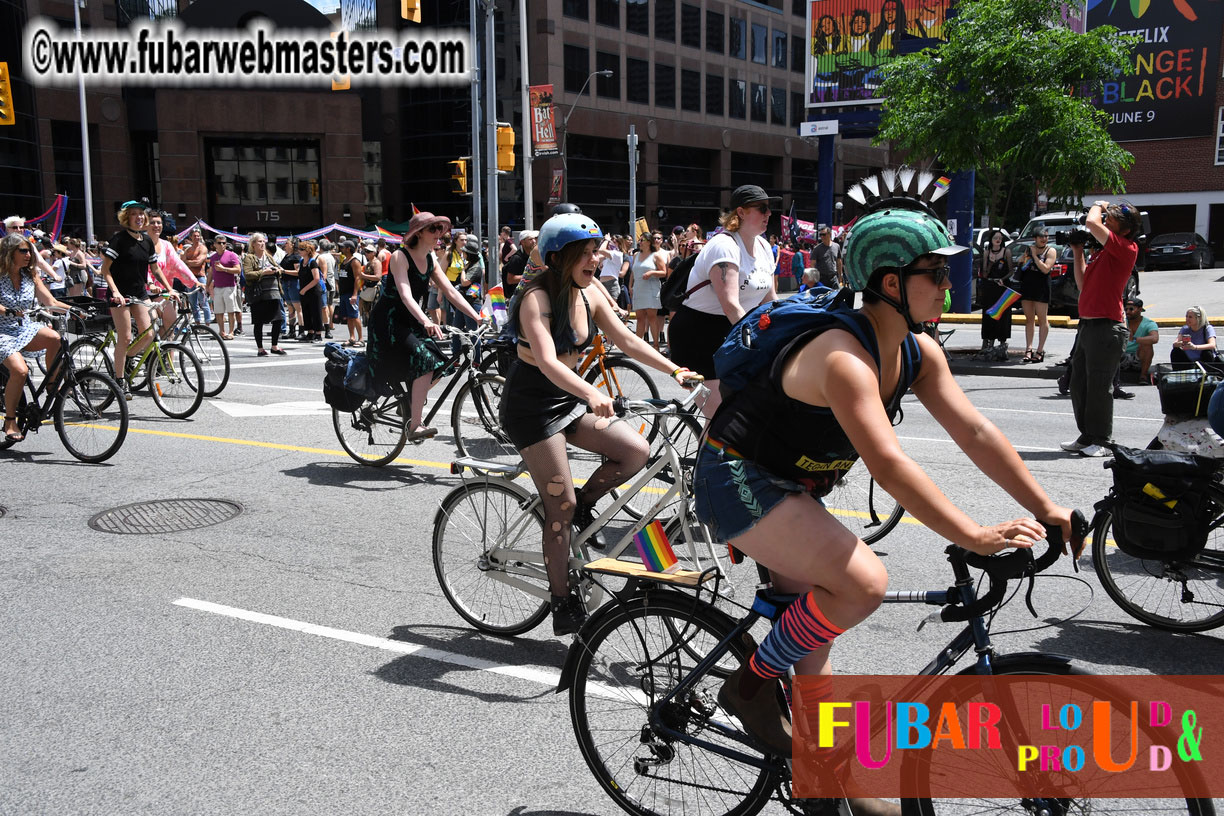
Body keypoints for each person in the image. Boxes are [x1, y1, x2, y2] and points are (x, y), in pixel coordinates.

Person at [693, 196, 1078, 802]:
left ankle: (820, 781)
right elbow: (890, 464)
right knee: (862, 584)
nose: (949, 285)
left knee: (815, 642)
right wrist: (972, 535)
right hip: (739, 479)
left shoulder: (917, 352)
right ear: (892, 283)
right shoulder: (842, 358)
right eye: (936, 273)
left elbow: (975, 430)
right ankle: (747, 685)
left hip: (797, 485)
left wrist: (1047, 506)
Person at [499, 212, 702, 635]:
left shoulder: (588, 291)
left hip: (567, 400)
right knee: (561, 506)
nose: (595, 260)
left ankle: (584, 503)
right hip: (532, 410)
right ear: (559, 257)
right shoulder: (535, 299)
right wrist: (591, 393)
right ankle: (562, 600)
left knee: (636, 451)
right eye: (585, 253)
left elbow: (626, 339)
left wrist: (675, 370)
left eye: (596, 251)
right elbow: (550, 362)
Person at [366, 212, 482, 440]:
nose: (439, 233)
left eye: (440, 229)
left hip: (411, 318)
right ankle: (414, 426)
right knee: (425, 361)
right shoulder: (401, 256)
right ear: (418, 233)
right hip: (389, 320)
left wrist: (476, 316)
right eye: (433, 229)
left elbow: (450, 291)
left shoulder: (430, 259)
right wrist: (427, 320)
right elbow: (405, 294)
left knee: (442, 364)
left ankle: (409, 401)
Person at [668, 184, 778, 418]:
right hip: (699, 335)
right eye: (762, 208)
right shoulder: (724, 246)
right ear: (741, 212)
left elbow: (771, 301)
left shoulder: (764, 246)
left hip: (732, 332)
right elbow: (730, 304)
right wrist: (758, 344)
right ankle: (708, 454)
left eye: (769, 209)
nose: (769, 213)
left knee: (755, 407)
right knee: (720, 417)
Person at [1061, 201, 1142, 457]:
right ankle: (1088, 436)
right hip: (1088, 325)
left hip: (1108, 327)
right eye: (1107, 215)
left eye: (1113, 218)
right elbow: (1083, 283)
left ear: (1126, 230)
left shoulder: (1126, 247)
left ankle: (1103, 441)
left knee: (1099, 386)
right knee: (1079, 384)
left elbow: (1091, 222)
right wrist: (1077, 251)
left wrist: (1098, 204)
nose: (1106, 219)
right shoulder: (1104, 253)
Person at [0, 233, 77, 442]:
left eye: (30, 251)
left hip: (23, 327)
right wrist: (6, 310)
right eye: (23, 251)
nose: (29, 255)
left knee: (55, 338)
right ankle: (10, 420)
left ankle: (52, 385)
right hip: (2, 331)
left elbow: (49, 300)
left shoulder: (30, 275)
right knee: (20, 371)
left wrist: (77, 310)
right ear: (9, 253)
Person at [100, 200, 180, 398]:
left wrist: (169, 289)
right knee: (125, 336)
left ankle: (127, 357)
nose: (139, 217)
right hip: (120, 295)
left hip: (139, 293)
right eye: (134, 214)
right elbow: (105, 269)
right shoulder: (118, 240)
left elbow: (155, 269)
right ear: (127, 218)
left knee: (150, 333)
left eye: (141, 214)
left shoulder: (146, 241)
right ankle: (120, 380)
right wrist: (115, 292)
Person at [242, 232, 287, 357]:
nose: (262, 244)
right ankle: (260, 349)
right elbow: (248, 274)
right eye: (259, 242)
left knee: (278, 319)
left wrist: (277, 271)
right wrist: (263, 272)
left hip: (273, 292)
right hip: (259, 293)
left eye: (263, 241)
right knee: (259, 322)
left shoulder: (268, 256)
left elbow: (279, 269)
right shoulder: (249, 258)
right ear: (253, 244)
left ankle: (274, 346)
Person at [975, 228, 1014, 361]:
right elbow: (985, 274)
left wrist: (1003, 279)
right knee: (989, 314)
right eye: (995, 238)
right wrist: (991, 262)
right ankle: (988, 342)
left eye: (1000, 238)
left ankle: (1002, 343)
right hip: (990, 287)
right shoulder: (987, 253)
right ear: (991, 241)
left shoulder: (1006, 252)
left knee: (1003, 314)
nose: (998, 240)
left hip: (1002, 287)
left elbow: (1011, 270)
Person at [1017, 229, 1054, 363]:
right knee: (1029, 319)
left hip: (1042, 287)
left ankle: (1040, 350)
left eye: (1045, 236)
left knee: (1042, 320)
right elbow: (1022, 266)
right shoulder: (1029, 250)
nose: (1043, 239)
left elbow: (1045, 269)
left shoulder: (1050, 251)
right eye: (1040, 236)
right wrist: (1023, 259)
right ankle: (1029, 349)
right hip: (1028, 286)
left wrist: (1035, 255)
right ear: (1035, 238)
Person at [629, 231, 666, 349]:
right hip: (639, 288)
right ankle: (638, 347)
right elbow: (633, 273)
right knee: (640, 318)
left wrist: (652, 272)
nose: (639, 242)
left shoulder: (655, 256)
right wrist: (631, 285)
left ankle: (655, 345)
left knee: (651, 317)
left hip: (651, 289)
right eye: (639, 240)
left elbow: (664, 272)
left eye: (642, 240)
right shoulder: (636, 255)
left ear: (649, 242)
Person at [207, 236, 242, 339]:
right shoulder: (213, 257)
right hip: (217, 287)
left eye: (223, 243)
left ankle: (231, 332)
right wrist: (207, 285)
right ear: (215, 244)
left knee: (231, 310)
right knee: (218, 311)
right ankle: (221, 332)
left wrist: (224, 269)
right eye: (219, 243)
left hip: (230, 286)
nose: (222, 245)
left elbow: (238, 270)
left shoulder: (232, 255)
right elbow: (211, 272)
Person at [1121, 297, 1159, 384]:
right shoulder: (1122, 322)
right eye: (1126, 309)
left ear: (1140, 309)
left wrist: (1134, 339)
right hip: (1121, 357)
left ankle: (1143, 376)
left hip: (1138, 358)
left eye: (1131, 309)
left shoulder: (1149, 323)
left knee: (1147, 345)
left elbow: (1154, 338)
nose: (1128, 312)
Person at [333, 241, 363, 347]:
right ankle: (352, 337)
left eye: (343, 247)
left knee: (354, 316)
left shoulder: (355, 262)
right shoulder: (344, 261)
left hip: (351, 293)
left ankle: (361, 339)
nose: (341, 249)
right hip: (344, 293)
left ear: (349, 248)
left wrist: (355, 294)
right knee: (348, 317)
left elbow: (358, 278)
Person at [181, 229, 213, 325]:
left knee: (203, 301)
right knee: (192, 302)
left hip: (200, 277)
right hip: (190, 278)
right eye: (194, 236)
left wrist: (187, 262)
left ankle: (207, 324)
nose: (197, 238)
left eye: (198, 236)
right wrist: (189, 262)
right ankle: (197, 323)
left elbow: (198, 262)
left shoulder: (202, 248)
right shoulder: (188, 249)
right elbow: (182, 262)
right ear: (191, 237)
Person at [297, 240, 325, 343]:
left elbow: (316, 278)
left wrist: (304, 289)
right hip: (304, 291)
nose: (299, 251)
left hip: (313, 291)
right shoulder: (301, 261)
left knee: (316, 312)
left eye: (302, 249)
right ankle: (310, 332)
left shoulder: (312, 262)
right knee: (306, 311)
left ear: (307, 250)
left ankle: (318, 334)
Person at [280, 238, 303, 340]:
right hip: (285, 283)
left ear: (293, 245)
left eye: (287, 243)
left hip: (293, 283)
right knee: (290, 308)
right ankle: (292, 330)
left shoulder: (296, 256)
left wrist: (284, 271)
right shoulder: (286, 255)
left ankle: (301, 330)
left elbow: (298, 272)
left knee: (298, 308)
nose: (285, 245)